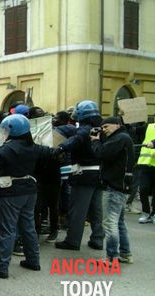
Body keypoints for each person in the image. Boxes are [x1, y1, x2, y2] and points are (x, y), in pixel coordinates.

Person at [0, 114, 60, 279]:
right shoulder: (32, 146)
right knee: (28, 227)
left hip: (11, 192)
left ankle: (0, 267)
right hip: (29, 191)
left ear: (11, 131)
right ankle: (33, 260)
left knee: (7, 230)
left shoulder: (9, 148)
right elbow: (52, 153)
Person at [55, 100, 104, 251]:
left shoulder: (85, 129)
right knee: (96, 210)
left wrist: (60, 147)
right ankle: (97, 239)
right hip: (99, 172)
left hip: (84, 172)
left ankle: (72, 241)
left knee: (77, 210)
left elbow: (77, 139)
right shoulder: (101, 127)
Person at [90, 117, 135, 263]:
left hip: (114, 186)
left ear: (117, 125)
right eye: (102, 128)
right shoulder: (123, 137)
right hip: (121, 186)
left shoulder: (119, 138)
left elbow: (101, 154)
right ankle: (125, 254)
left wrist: (95, 141)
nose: (104, 130)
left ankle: (111, 258)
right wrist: (101, 138)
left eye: (106, 127)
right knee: (119, 222)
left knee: (110, 224)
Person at [135, 110, 155, 225]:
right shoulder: (149, 127)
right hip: (145, 164)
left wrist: (154, 143)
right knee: (143, 189)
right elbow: (133, 131)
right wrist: (124, 118)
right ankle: (146, 212)